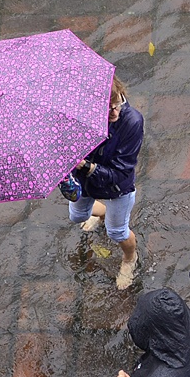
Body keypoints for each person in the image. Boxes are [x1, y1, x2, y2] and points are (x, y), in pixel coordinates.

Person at [71, 78, 145, 290]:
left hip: (116, 188)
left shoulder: (132, 122)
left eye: (117, 104)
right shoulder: (79, 117)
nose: (114, 112)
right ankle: (103, 213)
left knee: (117, 232)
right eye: (106, 109)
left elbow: (120, 172)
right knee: (77, 216)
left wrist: (86, 166)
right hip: (86, 182)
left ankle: (130, 258)